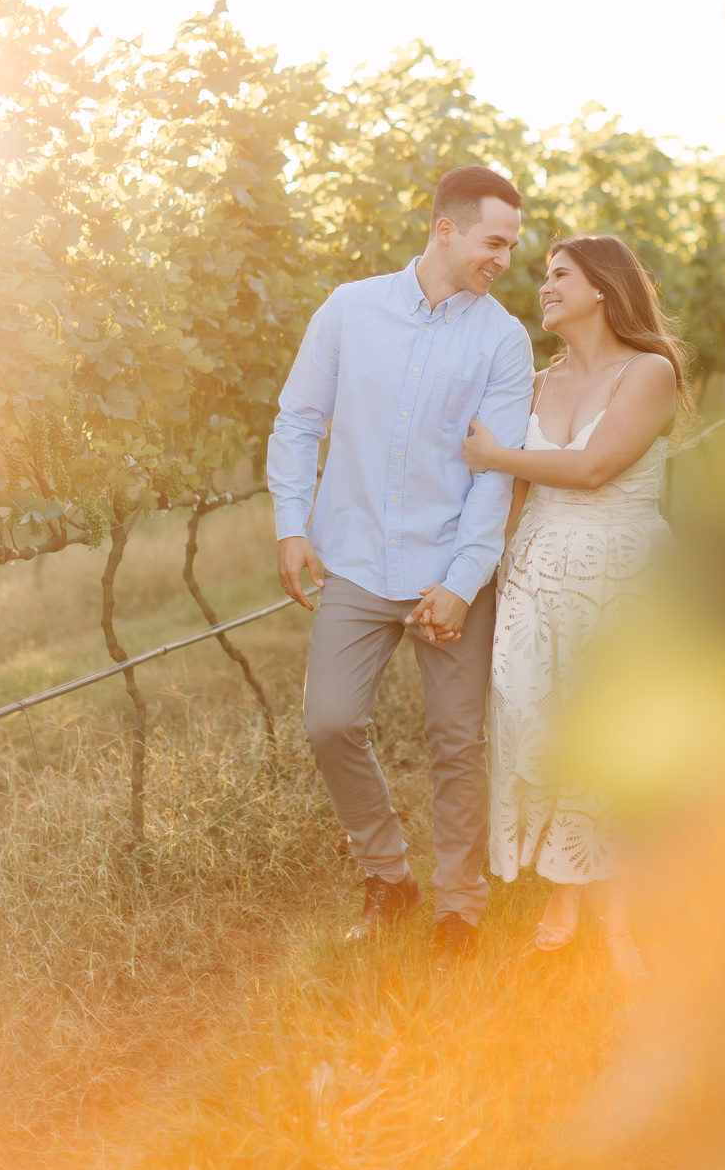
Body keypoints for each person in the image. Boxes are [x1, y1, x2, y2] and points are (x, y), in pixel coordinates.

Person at [266, 166, 534, 967]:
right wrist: (291, 525)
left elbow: (497, 473)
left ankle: (459, 905)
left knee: (456, 740)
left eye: (514, 247)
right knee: (331, 721)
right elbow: (298, 418)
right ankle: (388, 876)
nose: (504, 260)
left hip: (448, 566)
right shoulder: (350, 310)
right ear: (445, 229)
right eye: (495, 241)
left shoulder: (504, 339)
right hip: (352, 557)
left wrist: (462, 581)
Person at [461, 235, 693, 979]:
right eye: (546, 276)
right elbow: (513, 501)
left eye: (560, 274)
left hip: (619, 575)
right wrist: (469, 580)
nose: (546, 287)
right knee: (543, 729)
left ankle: (617, 925)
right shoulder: (534, 384)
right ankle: (565, 894)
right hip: (536, 574)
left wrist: (496, 455)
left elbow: (593, 468)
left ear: (602, 288)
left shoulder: (649, 372)